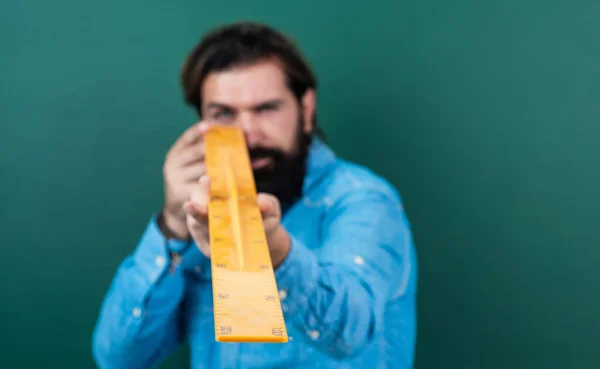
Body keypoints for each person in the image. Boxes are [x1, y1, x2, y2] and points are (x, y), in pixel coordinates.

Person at [92, 21, 418, 369]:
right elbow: (119, 357)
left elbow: (348, 333)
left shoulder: (362, 200)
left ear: (306, 110)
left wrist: (276, 252)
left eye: (266, 108)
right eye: (224, 114)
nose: (246, 132)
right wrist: (172, 227)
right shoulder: (203, 215)